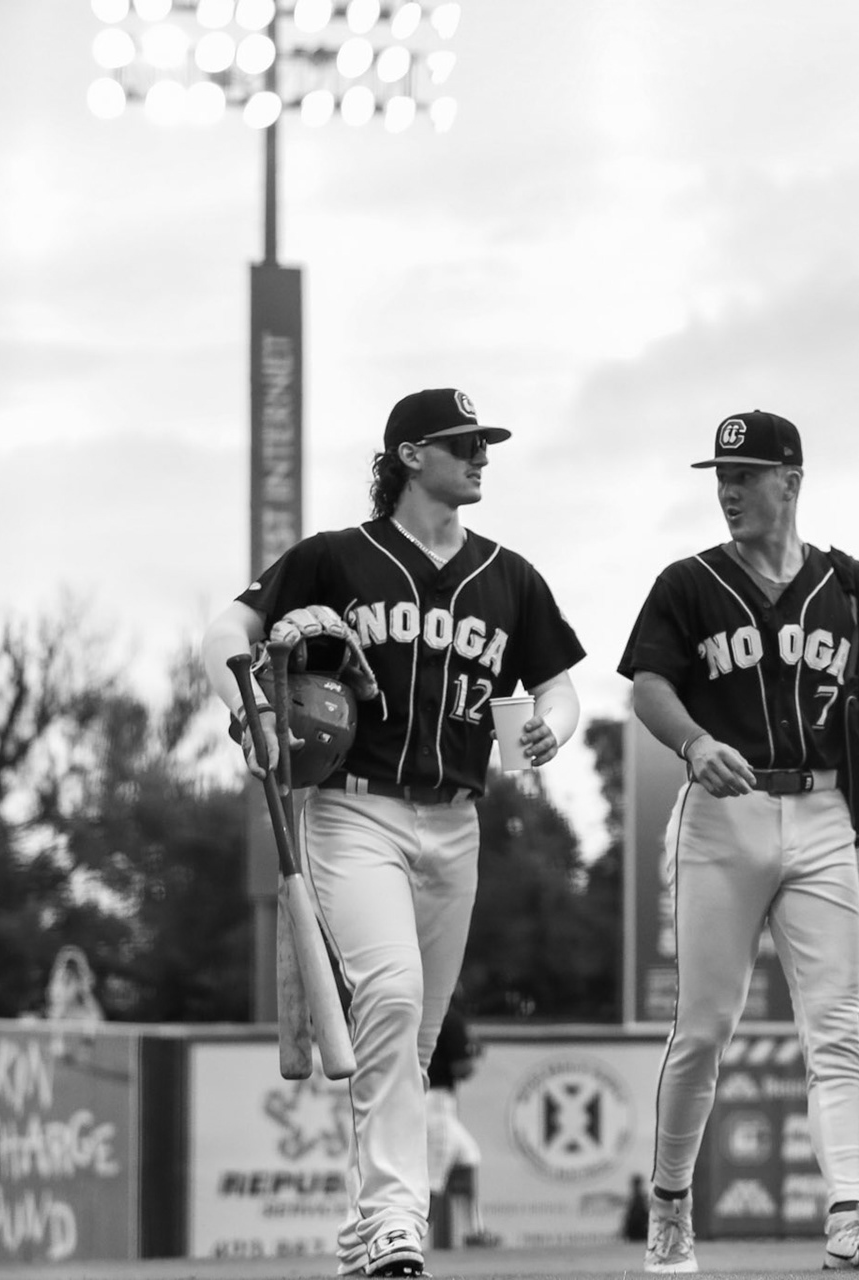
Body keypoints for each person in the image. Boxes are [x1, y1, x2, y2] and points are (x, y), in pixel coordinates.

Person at [202, 387, 586, 1279]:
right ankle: (393, 1224)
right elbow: (226, 630)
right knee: (393, 997)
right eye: (463, 444)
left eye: (482, 443)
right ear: (410, 455)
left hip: (459, 819)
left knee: (408, 1041)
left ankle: (366, 1226)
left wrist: (554, 728)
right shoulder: (339, 557)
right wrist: (250, 707)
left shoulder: (509, 574)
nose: (481, 456)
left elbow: (559, 683)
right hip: (354, 809)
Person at [618, 409, 859, 1274]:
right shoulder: (687, 582)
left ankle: (848, 1221)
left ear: (790, 481)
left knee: (835, 1028)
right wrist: (693, 740)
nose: (729, 488)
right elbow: (649, 685)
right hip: (726, 815)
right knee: (704, 1029)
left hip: (824, 811)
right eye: (722, 475)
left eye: (748, 473)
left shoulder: (846, 581)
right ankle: (672, 1204)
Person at [425, 1006, 498, 1248]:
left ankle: (474, 1232)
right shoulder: (448, 1016)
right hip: (435, 1102)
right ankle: (411, 1238)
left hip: (420, 1098)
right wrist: (474, 1054)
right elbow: (462, 1068)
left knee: (469, 1156)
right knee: (432, 1180)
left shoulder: (416, 1008)